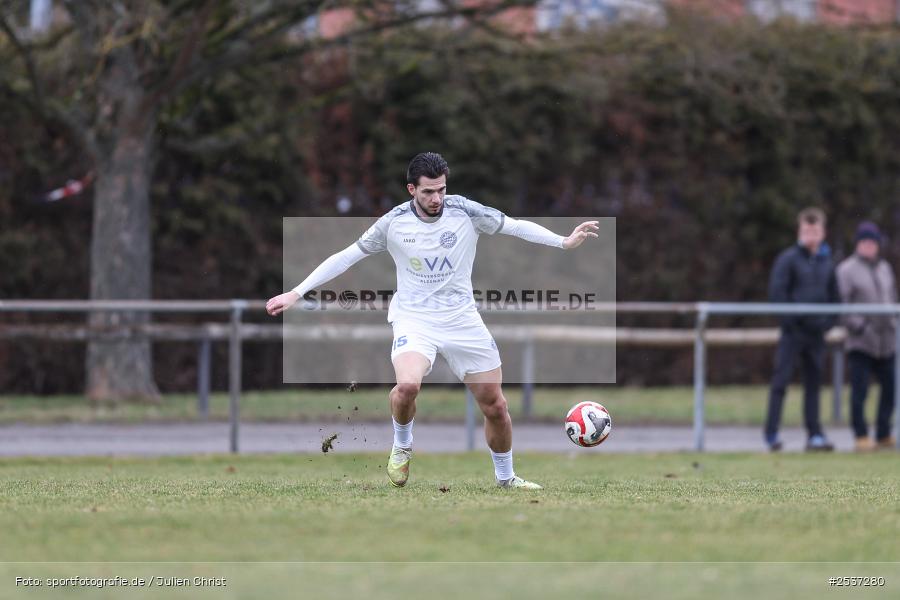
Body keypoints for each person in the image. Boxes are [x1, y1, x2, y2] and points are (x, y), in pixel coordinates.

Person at [266, 152, 599, 489]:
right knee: (408, 386)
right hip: (414, 320)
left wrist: (563, 241)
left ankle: (506, 479)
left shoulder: (466, 211)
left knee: (496, 406)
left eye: (441, 189)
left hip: (462, 320)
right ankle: (402, 444)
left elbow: (513, 225)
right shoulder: (393, 222)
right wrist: (297, 292)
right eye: (428, 192)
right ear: (412, 189)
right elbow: (347, 256)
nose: (437, 198)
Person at [764, 207, 839, 452]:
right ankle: (772, 433)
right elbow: (778, 294)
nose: (810, 235)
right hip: (793, 333)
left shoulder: (827, 262)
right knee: (781, 381)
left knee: (814, 385)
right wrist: (792, 323)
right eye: (806, 230)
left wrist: (827, 324)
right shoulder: (787, 259)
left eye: (815, 230)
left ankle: (814, 434)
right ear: (799, 231)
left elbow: (834, 298)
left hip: (817, 334)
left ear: (823, 232)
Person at [836, 221, 897, 451]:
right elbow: (842, 305)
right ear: (858, 244)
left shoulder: (885, 268)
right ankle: (860, 434)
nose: (870, 246)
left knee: (890, 388)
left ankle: (883, 432)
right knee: (860, 391)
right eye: (865, 242)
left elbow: (891, 298)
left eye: (873, 242)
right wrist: (859, 326)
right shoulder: (846, 270)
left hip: (887, 341)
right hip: (862, 341)